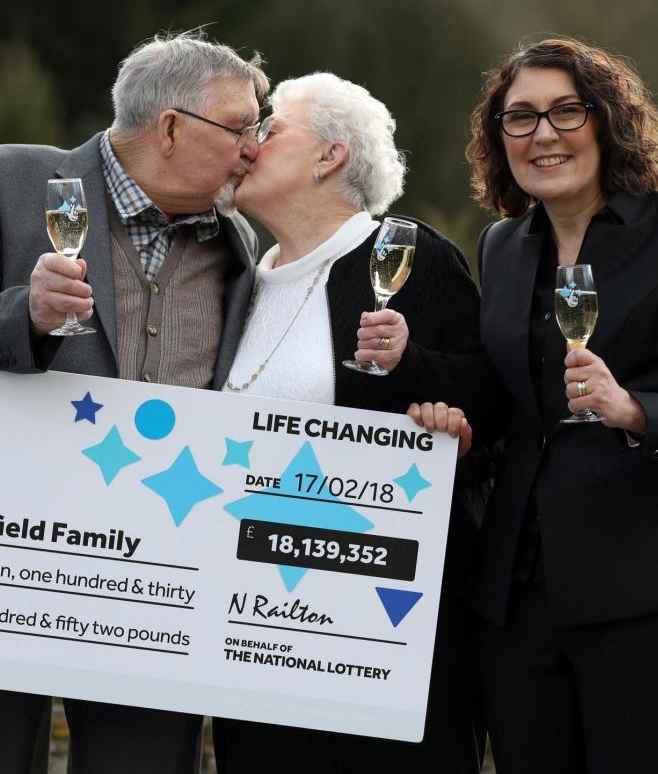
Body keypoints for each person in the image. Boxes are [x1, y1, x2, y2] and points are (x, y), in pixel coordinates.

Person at [0, 30, 267, 774]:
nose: (254, 148)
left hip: (156, 581)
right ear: (170, 126)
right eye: (241, 127)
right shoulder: (2, 182)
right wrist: (22, 314)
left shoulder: (244, 245)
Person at [465, 37, 658, 772]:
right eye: (519, 118)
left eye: (566, 111)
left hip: (649, 602)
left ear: (607, 121)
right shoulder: (501, 246)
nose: (542, 134)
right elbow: (511, 416)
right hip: (517, 608)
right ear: (497, 137)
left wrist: (636, 411)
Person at [209, 71, 500, 772]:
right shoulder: (238, 275)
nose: (247, 147)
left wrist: (441, 410)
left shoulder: (408, 259)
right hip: (254, 623)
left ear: (329, 156)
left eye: (270, 129)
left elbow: (487, 402)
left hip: (382, 631)